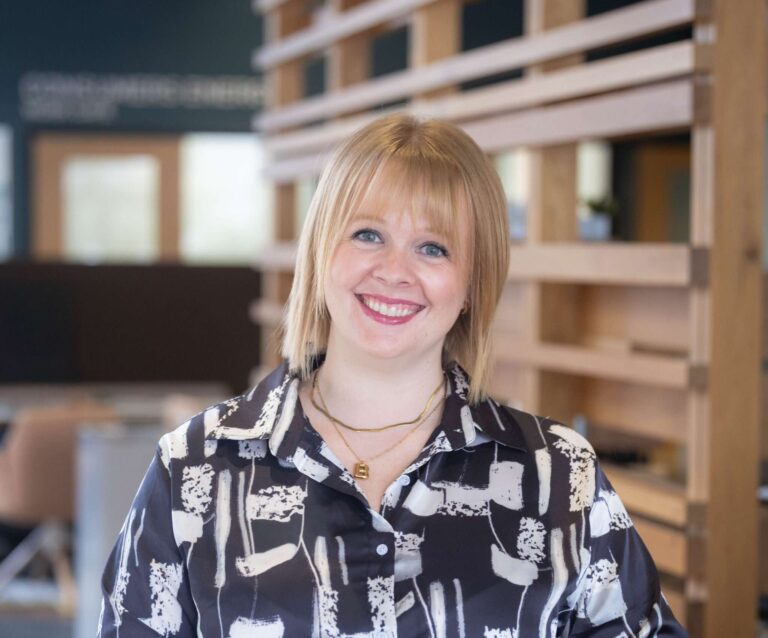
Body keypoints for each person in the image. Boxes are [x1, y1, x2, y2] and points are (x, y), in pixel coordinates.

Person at [98, 113, 687, 636]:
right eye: (368, 234)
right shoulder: (195, 467)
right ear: (322, 251)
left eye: (433, 248)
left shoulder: (559, 477)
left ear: (472, 287)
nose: (394, 271)